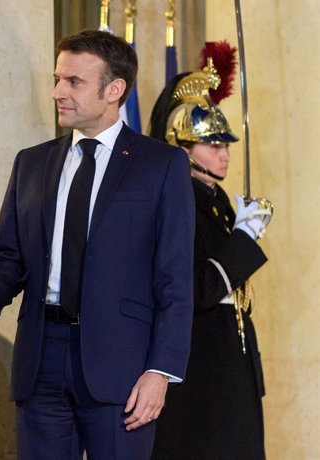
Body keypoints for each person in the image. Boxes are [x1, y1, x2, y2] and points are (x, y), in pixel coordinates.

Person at [0, 30, 195, 459]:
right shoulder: (32, 162)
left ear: (114, 90)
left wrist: (161, 371)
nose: (57, 92)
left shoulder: (162, 165)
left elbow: (174, 277)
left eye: (73, 82)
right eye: (58, 79)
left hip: (122, 368)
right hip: (41, 361)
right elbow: (11, 257)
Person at [148, 49, 270, 460]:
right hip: (199, 375)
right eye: (211, 143)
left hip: (229, 366)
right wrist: (244, 240)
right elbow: (197, 287)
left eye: (225, 143)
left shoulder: (215, 199)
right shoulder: (178, 198)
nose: (225, 153)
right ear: (180, 146)